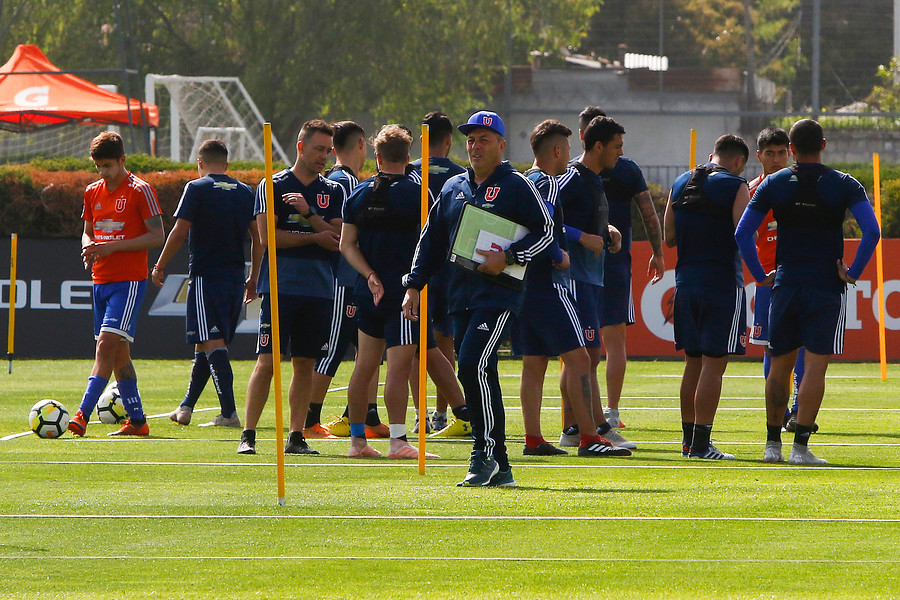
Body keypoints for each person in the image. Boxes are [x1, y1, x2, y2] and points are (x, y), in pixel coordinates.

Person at [402, 110, 554, 487]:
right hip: (459, 295)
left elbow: (547, 233)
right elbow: (430, 239)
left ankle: (483, 453)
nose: (475, 146)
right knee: (480, 371)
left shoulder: (517, 185)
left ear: (502, 145)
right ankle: (500, 463)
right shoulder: (454, 186)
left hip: (499, 294)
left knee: (471, 363)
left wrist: (510, 256)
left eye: (484, 139)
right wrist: (413, 285)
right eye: (470, 139)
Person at [735, 119, 880, 465]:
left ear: (792, 149)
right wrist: (852, 273)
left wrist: (760, 275)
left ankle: (772, 446)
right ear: (824, 145)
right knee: (814, 366)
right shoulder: (844, 183)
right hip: (825, 285)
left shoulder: (774, 182)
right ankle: (800, 449)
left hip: (786, 282)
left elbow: (742, 233)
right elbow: (872, 231)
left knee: (779, 365)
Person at [340, 124, 467, 458]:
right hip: (405, 292)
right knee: (398, 367)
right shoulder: (418, 193)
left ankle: (357, 442)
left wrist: (369, 274)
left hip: (369, 291)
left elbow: (346, 244)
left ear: (378, 156)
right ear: (408, 157)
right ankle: (398, 440)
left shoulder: (359, 193)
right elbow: (435, 243)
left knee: (364, 366)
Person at [517, 119, 631, 457]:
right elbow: (546, 227)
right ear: (557, 150)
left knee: (534, 362)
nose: (570, 155)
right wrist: (560, 253)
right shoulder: (552, 182)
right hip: (554, 284)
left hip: (526, 284)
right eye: (567, 149)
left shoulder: (523, 181)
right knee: (581, 359)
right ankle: (588, 435)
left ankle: (534, 439)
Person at [236, 119, 345, 455]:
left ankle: (296, 436)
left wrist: (309, 215)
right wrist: (314, 236)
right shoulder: (273, 185)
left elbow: (337, 238)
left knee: (305, 364)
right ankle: (248, 434)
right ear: (301, 147)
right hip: (280, 287)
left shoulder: (333, 190)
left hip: (319, 289)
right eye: (318, 149)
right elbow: (269, 238)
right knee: (267, 362)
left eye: (328, 150)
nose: (324, 156)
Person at [151, 140, 259, 429]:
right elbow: (259, 239)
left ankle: (229, 413)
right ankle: (186, 407)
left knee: (213, 343)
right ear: (226, 164)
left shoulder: (196, 188)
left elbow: (179, 231)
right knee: (204, 342)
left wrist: (160, 265)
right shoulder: (244, 191)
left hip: (206, 278)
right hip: (235, 279)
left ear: (199, 163)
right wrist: (254, 277)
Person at [68, 131, 165, 437]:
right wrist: (89, 245)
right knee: (119, 354)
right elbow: (88, 231)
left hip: (129, 281)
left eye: (108, 166)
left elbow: (157, 235)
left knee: (105, 345)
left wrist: (112, 247)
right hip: (101, 280)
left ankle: (82, 414)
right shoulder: (92, 191)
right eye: (98, 166)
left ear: (122, 160)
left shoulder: (140, 190)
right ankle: (137, 421)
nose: (103, 172)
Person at [574, 106, 666, 429]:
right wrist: (658, 252)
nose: (620, 151)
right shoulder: (624, 170)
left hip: (587, 267)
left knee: (577, 348)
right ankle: (609, 413)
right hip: (610, 266)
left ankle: (578, 417)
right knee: (611, 344)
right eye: (617, 145)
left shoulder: (571, 172)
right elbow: (648, 213)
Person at [663, 133, 751, 460]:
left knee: (692, 364)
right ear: (739, 160)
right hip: (722, 284)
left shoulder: (680, 182)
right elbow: (744, 234)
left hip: (685, 283)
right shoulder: (736, 185)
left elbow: (669, 237)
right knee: (714, 366)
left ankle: (688, 442)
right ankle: (702, 444)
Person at [555, 116, 635, 451]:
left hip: (590, 278)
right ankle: (587, 428)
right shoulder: (572, 179)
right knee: (583, 356)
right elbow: (545, 219)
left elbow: (583, 221)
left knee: (585, 356)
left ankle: (577, 428)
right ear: (598, 146)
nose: (621, 153)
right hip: (574, 279)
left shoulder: (594, 179)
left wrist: (607, 230)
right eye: (617, 146)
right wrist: (583, 237)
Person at [305, 121, 389, 440]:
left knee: (367, 350)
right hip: (343, 278)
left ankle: (368, 416)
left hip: (354, 278)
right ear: (361, 145)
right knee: (334, 347)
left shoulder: (342, 179)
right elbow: (341, 233)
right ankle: (309, 419)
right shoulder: (344, 181)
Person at [745, 127, 811, 433]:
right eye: (769, 153)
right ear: (759, 156)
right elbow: (743, 236)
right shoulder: (750, 191)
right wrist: (759, 275)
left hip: (801, 276)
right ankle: (780, 412)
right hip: (769, 281)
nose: (776, 159)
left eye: (781, 153)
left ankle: (798, 410)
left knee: (803, 345)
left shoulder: (803, 186)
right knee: (771, 347)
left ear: (790, 153)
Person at [409, 110, 470, 437]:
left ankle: (421, 416)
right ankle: (443, 413)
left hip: (416, 266)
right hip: (450, 268)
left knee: (415, 343)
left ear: (421, 138)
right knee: (445, 340)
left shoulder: (409, 172)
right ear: (449, 139)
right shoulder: (461, 176)